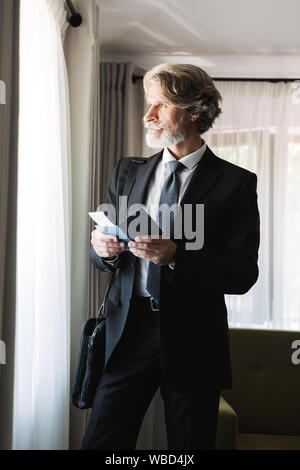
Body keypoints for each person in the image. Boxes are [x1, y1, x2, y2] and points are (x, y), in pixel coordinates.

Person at [81, 63, 260, 450]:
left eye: (160, 105)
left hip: (195, 338)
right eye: (149, 104)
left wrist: (178, 256)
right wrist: (103, 251)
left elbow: (243, 274)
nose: (148, 116)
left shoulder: (237, 184)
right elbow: (108, 256)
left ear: (194, 111)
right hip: (127, 332)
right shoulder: (127, 172)